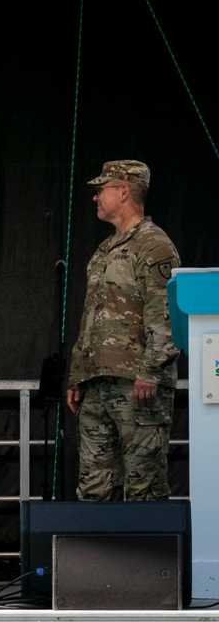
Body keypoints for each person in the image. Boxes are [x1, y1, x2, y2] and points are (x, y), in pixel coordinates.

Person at [66, 160, 180, 501]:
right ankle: (96, 555)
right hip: (97, 383)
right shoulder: (104, 250)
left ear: (124, 191)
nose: (95, 197)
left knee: (143, 486)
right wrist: (77, 375)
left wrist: (150, 373)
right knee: (93, 485)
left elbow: (166, 316)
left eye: (102, 189)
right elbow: (91, 317)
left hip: (138, 387)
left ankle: (147, 555)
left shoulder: (154, 245)